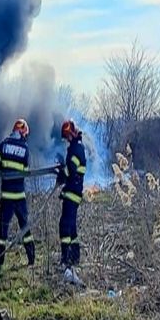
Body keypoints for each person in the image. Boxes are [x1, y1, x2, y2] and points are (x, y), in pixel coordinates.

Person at [0, 118, 35, 266]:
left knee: (3, 230)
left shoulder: (4, 144)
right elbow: (26, 171)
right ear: (23, 133)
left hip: (6, 197)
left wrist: (3, 166)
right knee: (25, 228)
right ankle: (31, 259)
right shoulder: (25, 149)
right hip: (19, 197)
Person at [56, 119, 86, 282]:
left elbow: (71, 171)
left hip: (73, 192)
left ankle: (66, 258)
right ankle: (74, 257)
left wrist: (62, 172)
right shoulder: (77, 147)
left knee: (65, 225)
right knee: (72, 226)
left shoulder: (75, 149)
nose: (66, 139)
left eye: (67, 136)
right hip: (73, 191)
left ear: (72, 134)